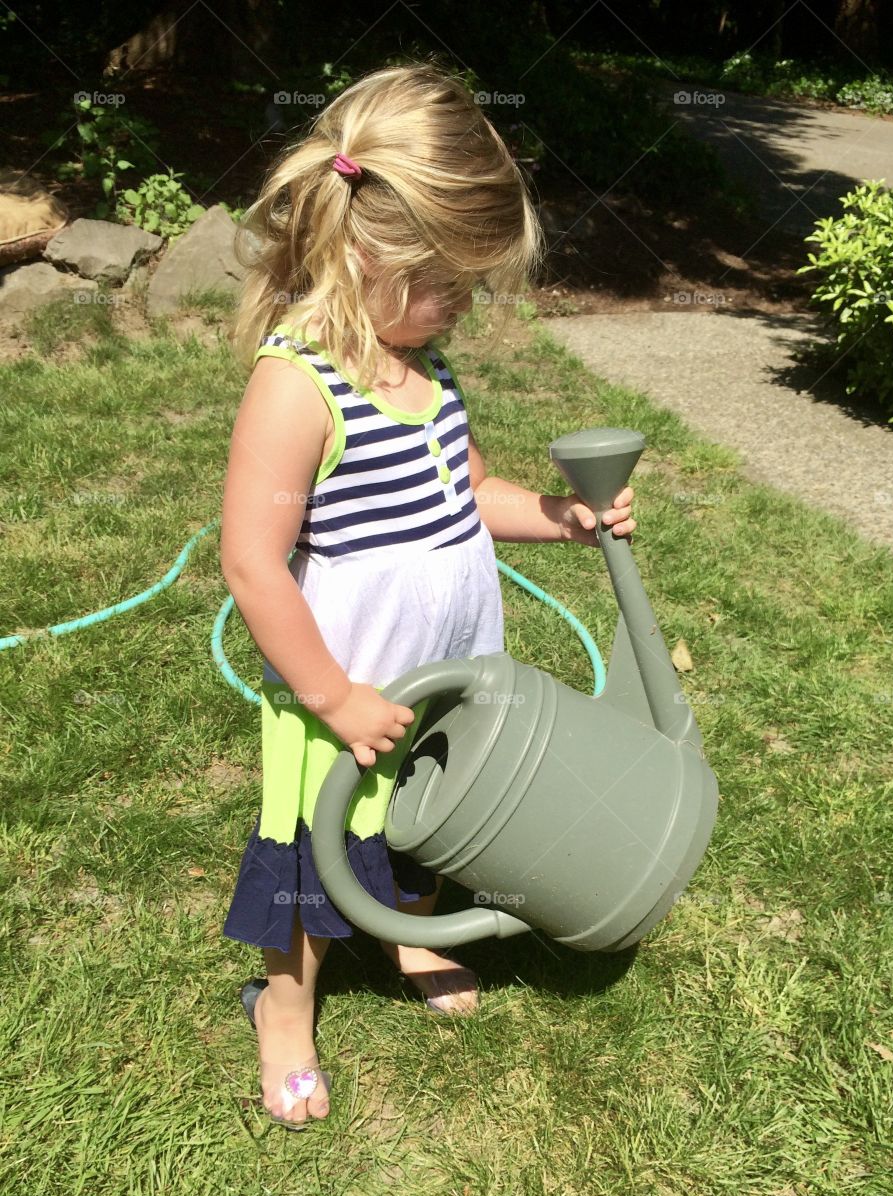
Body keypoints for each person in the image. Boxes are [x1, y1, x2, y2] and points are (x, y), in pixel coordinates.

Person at [219, 60, 637, 1130]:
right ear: (363, 252)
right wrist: (333, 696)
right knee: (312, 862)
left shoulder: (431, 368)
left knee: (425, 826)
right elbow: (254, 564)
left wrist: (560, 515)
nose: (463, 301)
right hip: (345, 686)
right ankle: (286, 1002)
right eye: (448, 279)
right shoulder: (298, 383)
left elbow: (470, 491)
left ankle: (413, 929)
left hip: (444, 676)